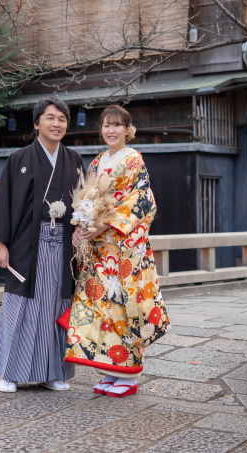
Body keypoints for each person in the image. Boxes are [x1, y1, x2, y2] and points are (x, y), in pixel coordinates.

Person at [67, 104, 170, 397]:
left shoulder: (134, 160)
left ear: (128, 129)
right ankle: (109, 370)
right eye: (106, 125)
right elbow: (87, 197)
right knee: (101, 306)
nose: (111, 130)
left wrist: (102, 225)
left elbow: (141, 201)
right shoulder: (98, 160)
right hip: (99, 249)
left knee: (125, 306)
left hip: (124, 249)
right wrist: (80, 225)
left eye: (117, 125)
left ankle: (128, 373)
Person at [0, 97, 86, 393]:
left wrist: (80, 226)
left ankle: (54, 372)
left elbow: (83, 203)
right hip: (28, 245)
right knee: (23, 305)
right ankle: (10, 373)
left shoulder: (74, 159)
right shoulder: (19, 159)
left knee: (57, 304)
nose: (57, 124)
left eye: (62, 119)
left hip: (62, 245)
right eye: (51, 118)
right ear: (37, 123)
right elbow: (3, 202)